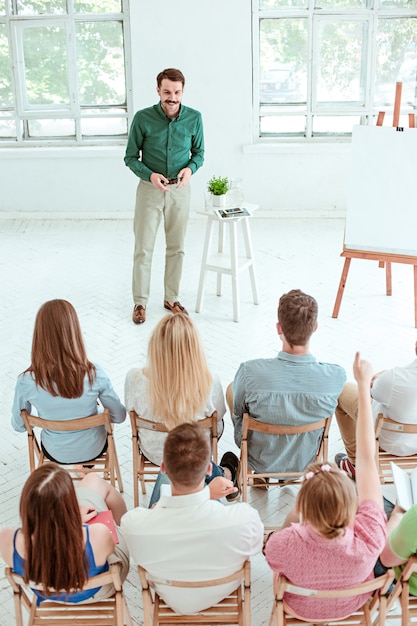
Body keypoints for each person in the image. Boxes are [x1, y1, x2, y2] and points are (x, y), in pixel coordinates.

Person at [264, 353, 387, 621]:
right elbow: (366, 459)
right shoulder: (371, 533)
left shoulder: (284, 543)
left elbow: (271, 553)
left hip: (300, 609)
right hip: (351, 604)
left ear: (304, 507)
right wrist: (363, 385)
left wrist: (295, 514)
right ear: (351, 505)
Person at [121, 423, 264, 615]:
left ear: (163, 467)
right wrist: (208, 495)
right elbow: (256, 547)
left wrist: (161, 507)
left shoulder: (134, 525)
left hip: (170, 594)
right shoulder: (244, 518)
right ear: (208, 469)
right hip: (222, 589)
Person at [227, 289, 346, 476]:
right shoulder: (336, 376)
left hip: (258, 458)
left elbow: (238, 413)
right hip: (305, 460)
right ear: (314, 327)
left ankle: (258, 476)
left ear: (279, 328)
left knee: (232, 391)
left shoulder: (249, 372)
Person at [125, 312, 239, 501]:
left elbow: (129, 414)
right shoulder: (209, 380)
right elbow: (217, 421)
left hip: (155, 452)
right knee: (214, 428)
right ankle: (223, 475)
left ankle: (223, 475)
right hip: (197, 454)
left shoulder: (134, 378)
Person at [125, 67, 204, 325]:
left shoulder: (194, 118)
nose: (172, 97)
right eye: (167, 91)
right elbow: (130, 157)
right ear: (158, 90)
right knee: (144, 248)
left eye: (177, 92)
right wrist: (150, 175)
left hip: (180, 190)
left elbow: (199, 153)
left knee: (177, 248)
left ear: (183, 91)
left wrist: (189, 170)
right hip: (150, 190)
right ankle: (140, 302)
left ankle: (171, 298)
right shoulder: (143, 118)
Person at [11, 299, 126, 464]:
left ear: (39, 335)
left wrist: (45, 417)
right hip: (94, 449)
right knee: (100, 413)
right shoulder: (95, 374)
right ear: (74, 331)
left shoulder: (26, 382)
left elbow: (19, 426)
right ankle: (84, 469)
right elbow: (119, 416)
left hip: (54, 452)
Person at [0, 464, 130, 604]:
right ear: (70, 504)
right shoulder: (98, 534)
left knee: (92, 484)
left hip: (48, 597)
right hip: (97, 592)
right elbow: (109, 548)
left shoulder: (6, 539)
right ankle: (129, 524)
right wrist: (76, 521)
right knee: (94, 483)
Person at [335, 340, 417, 478]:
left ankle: (355, 463)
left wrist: (374, 378)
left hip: (388, 441)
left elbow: (368, 392)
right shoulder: (394, 377)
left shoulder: (394, 378)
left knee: (342, 391)